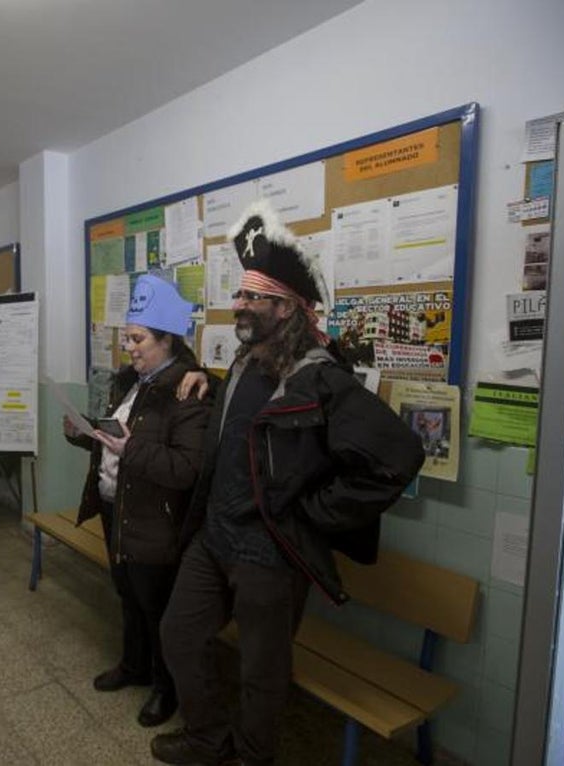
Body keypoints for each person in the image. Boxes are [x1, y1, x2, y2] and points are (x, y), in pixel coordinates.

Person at [149, 201, 425, 766]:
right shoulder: (249, 362)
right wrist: (205, 373)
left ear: (288, 308)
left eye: (255, 298)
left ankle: (253, 756)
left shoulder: (321, 379)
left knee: (262, 671)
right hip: (215, 537)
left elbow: (399, 455)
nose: (241, 305)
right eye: (241, 295)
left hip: (270, 554)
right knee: (178, 633)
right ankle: (207, 736)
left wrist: (314, 515)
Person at [64, 274, 210, 728]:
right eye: (126, 337)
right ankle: (134, 666)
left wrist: (129, 449)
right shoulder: (131, 381)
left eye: (138, 338)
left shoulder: (188, 391)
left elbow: (185, 468)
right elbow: (119, 439)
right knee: (127, 593)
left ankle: (166, 689)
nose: (128, 346)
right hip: (118, 507)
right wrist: (84, 431)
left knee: (158, 607)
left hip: (156, 519)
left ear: (167, 340)